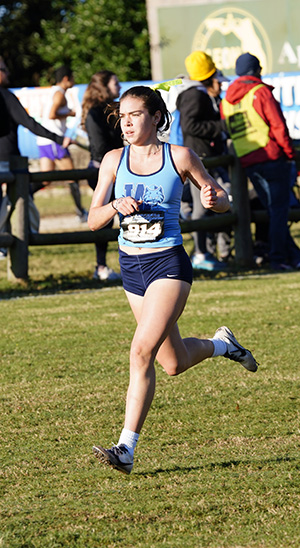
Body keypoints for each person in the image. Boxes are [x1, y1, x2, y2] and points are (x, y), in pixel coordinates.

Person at [88, 85, 258, 475]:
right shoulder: (114, 160)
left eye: (134, 115)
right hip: (131, 268)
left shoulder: (179, 155)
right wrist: (113, 205)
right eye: (122, 117)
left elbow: (221, 197)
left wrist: (218, 199)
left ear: (155, 117)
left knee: (140, 351)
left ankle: (125, 449)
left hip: (168, 264)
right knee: (172, 362)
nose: (126, 123)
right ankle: (221, 345)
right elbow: (93, 218)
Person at [221, 52, 300, 271]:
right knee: (279, 212)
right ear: (257, 70)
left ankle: (291, 256)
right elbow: (278, 126)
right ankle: (278, 258)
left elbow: (227, 129)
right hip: (272, 156)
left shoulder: (226, 101)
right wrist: (290, 155)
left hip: (248, 161)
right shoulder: (260, 92)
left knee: (274, 211)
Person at [0, 56, 71, 258]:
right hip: (8, 160)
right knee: (14, 203)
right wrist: (58, 138)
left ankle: (13, 243)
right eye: (4, 69)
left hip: (8, 159)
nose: (8, 73)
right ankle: (12, 243)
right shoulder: (5, 96)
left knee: (20, 203)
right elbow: (29, 123)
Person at [176, 51, 232, 271]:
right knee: (203, 205)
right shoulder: (195, 95)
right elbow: (191, 126)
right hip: (200, 156)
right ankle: (200, 253)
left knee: (213, 201)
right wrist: (220, 127)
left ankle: (206, 251)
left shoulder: (192, 92)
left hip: (201, 155)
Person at [81, 70, 123, 281]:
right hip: (103, 171)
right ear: (104, 86)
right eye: (116, 83)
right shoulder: (95, 113)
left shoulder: (117, 110)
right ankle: (101, 266)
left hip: (121, 167)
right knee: (105, 217)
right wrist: (117, 160)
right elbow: (100, 148)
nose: (120, 87)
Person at [36, 65, 88, 223]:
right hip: (54, 141)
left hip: (45, 141)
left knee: (45, 180)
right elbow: (52, 114)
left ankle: (25, 193)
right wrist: (71, 113)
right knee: (72, 177)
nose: (74, 81)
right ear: (66, 79)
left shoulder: (52, 92)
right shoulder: (59, 94)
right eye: (72, 78)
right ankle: (80, 212)